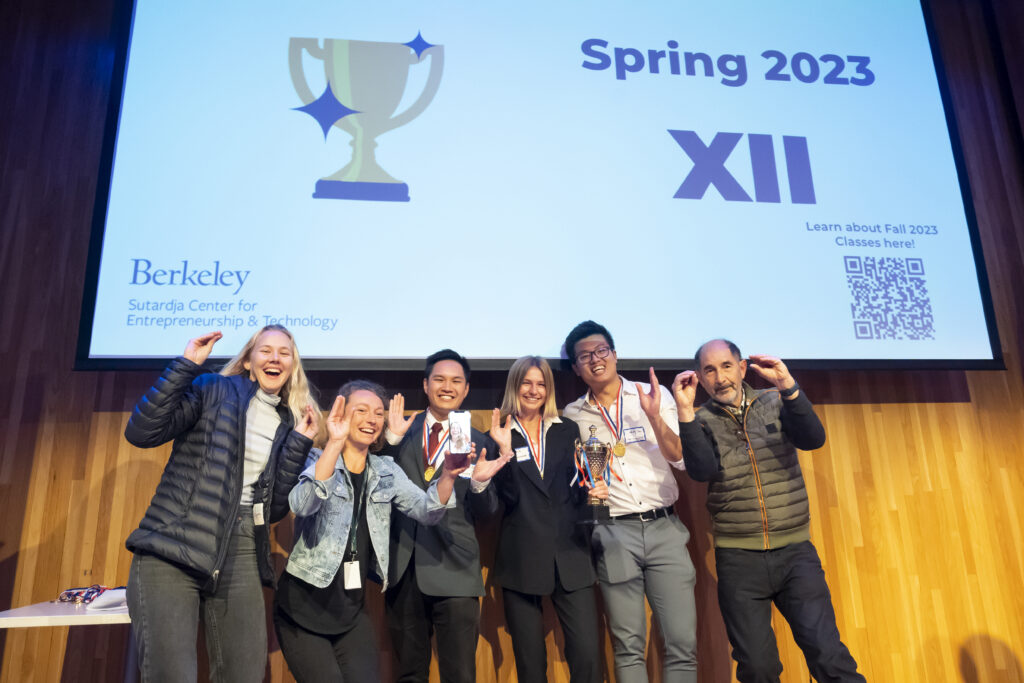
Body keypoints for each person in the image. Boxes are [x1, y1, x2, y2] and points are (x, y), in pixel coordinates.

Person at [274, 381, 512, 682]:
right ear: (340, 415)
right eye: (360, 411)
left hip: (351, 610)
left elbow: (427, 511)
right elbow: (303, 504)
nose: (371, 419)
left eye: (378, 413)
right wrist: (334, 443)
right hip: (302, 608)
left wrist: (449, 476)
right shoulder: (317, 459)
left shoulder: (386, 469)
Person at [124, 326, 321, 683]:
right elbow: (141, 432)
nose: (275, 358)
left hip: (242, 549)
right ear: (247, 360)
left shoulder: (287, 422)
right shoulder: (213, 389)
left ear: (292, 366)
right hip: (173, 546)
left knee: (243, 673)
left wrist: (299, 444)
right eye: (265, 351)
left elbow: (274, 510)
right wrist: (185, 366)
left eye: (284, 353)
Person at [674, 339, 865, 683]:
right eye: (709, 370)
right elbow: (701, 471)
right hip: (738, 560)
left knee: (827, 654)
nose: (720, 378)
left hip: (795, 554)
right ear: (700, 380)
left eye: (727, 366)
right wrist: (684, 413)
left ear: (743, 368)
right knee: (758, 668)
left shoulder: (775, 401)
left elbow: (813, 438)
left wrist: (789, 386)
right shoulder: (699, 420)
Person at [561, 321, 698, 683]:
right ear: (576, 368)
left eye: (602, 351)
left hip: (665, 527)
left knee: (682, 643)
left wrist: (654, 416)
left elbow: (680, 457)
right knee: (628, 645)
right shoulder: (572, 416)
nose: (595, 360)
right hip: (613, 532)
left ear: (615, 354)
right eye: (584, 356)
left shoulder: (652, 395)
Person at [382, 349, 501, 683]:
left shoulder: (479, 442)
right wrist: (390, 441)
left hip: (456, 567)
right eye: (439, 379)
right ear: (425, 384)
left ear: (465, 391)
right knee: (409, 673)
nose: (447, 387)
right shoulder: (399, 431)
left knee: (460, 674)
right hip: (403, 565)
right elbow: (377, 479)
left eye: (456, 381)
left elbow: (487, 512)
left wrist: (479, 484)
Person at [488, 356, 606, 683]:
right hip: (521, 558)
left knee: (587, 656)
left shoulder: (567, 429)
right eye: (526, 382)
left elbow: (583, 487)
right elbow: (500, 502)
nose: (534, 390)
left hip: (571, 555)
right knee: (530, 664)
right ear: (515, 386)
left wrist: (597, 497)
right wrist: (504, 454)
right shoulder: (497, 434)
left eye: (541, 384)